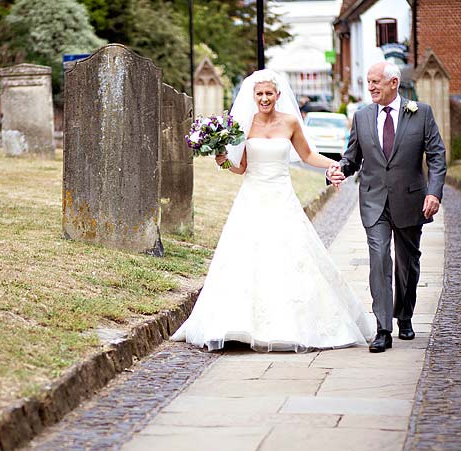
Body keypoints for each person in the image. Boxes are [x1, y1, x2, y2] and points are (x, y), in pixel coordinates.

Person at [171, 70, 375, 353]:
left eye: (269, 93)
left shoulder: (290, 122)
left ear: (278, 95)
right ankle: (238, 326)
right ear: (253, 97)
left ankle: (290, 325)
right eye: (260, 94)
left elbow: (306, 155)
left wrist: (332, 165)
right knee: (246, 258)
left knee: (289, 256)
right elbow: (240, 167)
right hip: (252, 198)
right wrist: (223, 161)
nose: (264, 98)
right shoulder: (243, 125)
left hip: (282, 198)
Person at [327, 62, 446, 353]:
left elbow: (437, 156)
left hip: (410, 199)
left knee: (407, 263)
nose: (371, 87)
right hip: (374, 201)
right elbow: (351, 157)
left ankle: (404, 315)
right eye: (368, 82)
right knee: (379, 258)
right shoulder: (362, 116)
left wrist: (434, 193)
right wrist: (339, 169)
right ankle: (383, 328)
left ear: (394, 82)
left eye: (376, 81)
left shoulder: (421, 113)